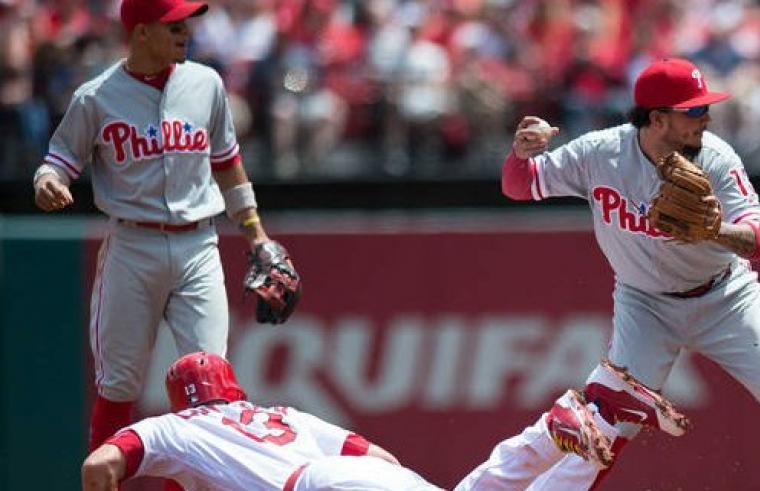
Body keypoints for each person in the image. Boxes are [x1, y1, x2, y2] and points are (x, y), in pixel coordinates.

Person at [501, 58, 760, 491]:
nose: (705, 118)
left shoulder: (715, 157)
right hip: (644, 303)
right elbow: (520, 186)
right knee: (610, 424)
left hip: (725, 296)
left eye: (704, 109)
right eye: (692, 111)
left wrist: (717, 230)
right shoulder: (600, 153)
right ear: (657, 119)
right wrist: (521, 153)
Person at [32, 0, 297, 452]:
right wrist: (47, 181)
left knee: (212, 387)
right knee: (119, 386)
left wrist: (258, 235)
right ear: (140, 33)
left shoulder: (207, 84)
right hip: (132, 246)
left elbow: (228, 165)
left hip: (198, 245)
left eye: (186, 22)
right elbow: (57, 162)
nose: (185, 31)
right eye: (173, 24)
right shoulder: (96, 97)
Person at [81, 351, 679, 491]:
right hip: (344, 476)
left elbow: (100, 463)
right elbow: (382, 462)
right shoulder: (277, 413)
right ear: (233, 389)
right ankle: (599, 425)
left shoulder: (174, 428)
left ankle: (552, 431)